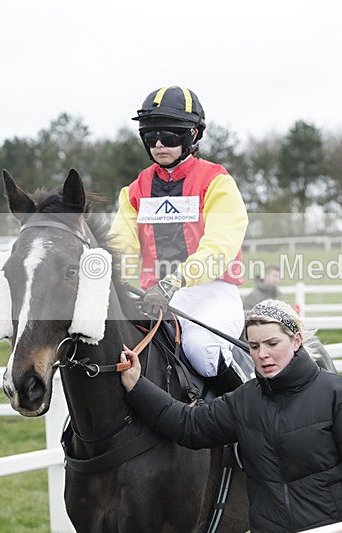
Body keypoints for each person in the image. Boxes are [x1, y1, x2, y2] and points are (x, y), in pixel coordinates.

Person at [119, 299, 342, 532]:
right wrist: (137, 385)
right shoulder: (244, 400)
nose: (262, 355)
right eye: (254, 346)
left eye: (272, 343)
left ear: (296, 340)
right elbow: (189, 425)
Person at [109, 85, 250, 395]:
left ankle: (254, 409)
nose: (159, 144)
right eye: (150, 137)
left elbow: (219, 247)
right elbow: (120, 246)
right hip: (152, 297)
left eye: (170, 137)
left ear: (194, 135)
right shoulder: (134, 190)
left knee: (202, 350)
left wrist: (173, 282)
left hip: (211, 292)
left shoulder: (217, 183)